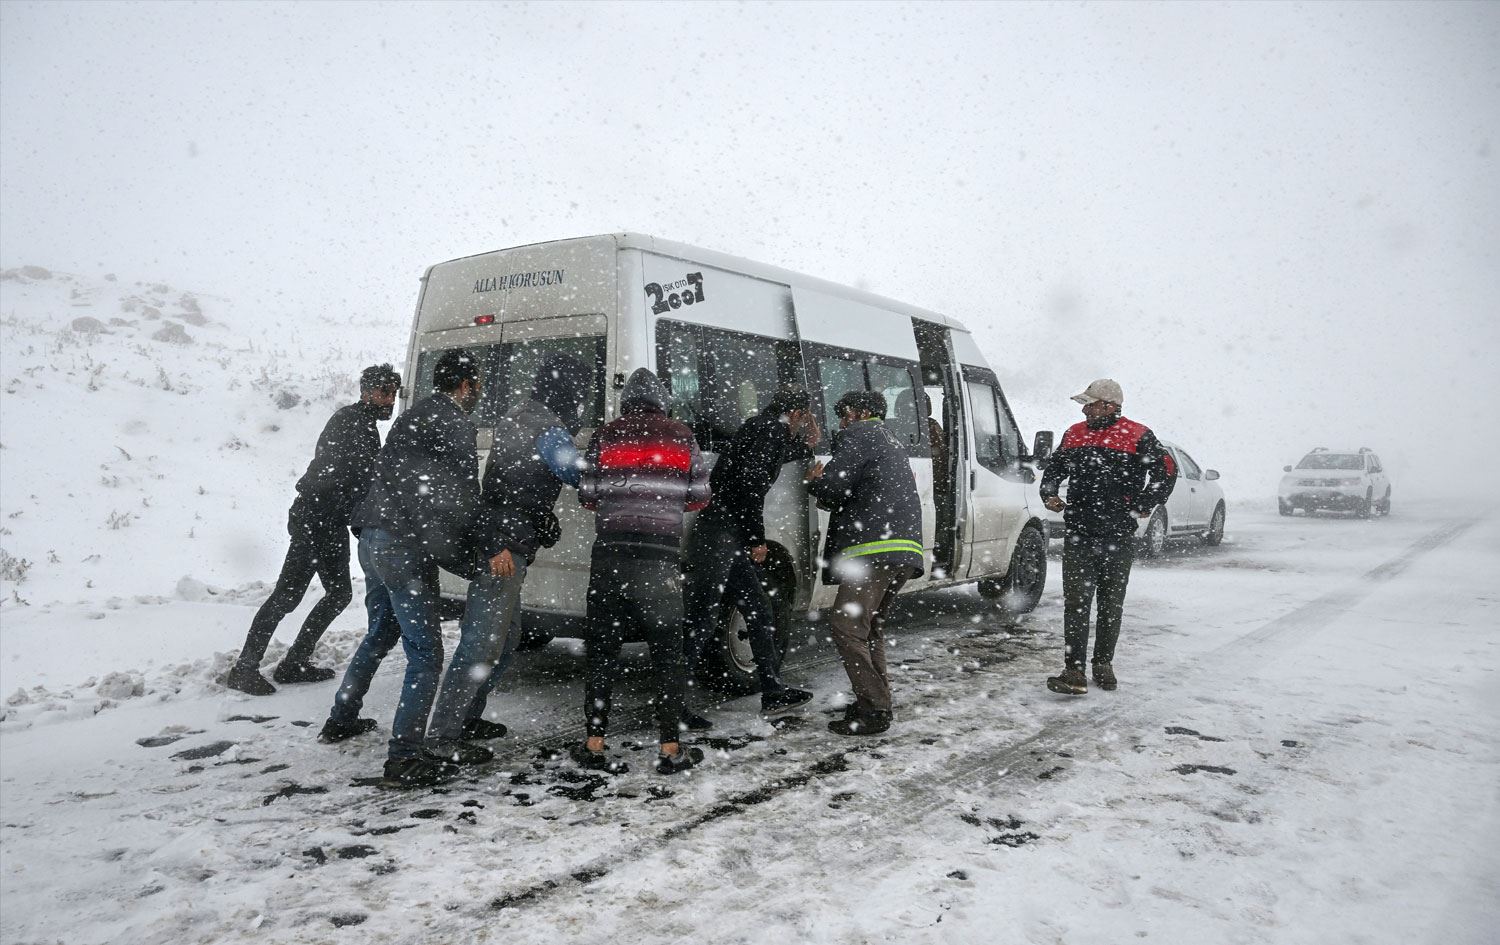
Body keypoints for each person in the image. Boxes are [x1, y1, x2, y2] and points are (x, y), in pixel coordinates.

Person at [319, 350, 512, 788]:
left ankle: (341, 717)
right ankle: (404, 757)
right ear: (466, 385)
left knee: (381, 632)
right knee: (426, 656)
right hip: (401, 547)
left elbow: (397, 480)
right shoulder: (454, 423)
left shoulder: (412, 416)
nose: (479, 391)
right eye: (478, 383)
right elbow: (463, 496)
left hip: (372, 537)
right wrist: (489, 546)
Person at [422, 355, 591, 763]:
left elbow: (513, 477)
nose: (583, 403)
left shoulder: (517, 414)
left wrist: (535, 513)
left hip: (503, 535)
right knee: (481, 643)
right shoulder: (548, 427)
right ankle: (443, 736)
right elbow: (575, 472)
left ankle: (466, 717)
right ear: (569, 393)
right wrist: (614, 466)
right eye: (581, 394)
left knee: (508, 636)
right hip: (504, 547)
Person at [224, 364, 401, 696]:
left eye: (394, 393)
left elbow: (358, 480)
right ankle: (244, 669)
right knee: (288, 595)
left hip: (326, 520)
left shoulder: (363, 424)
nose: (390, 399)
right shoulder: (351, 422)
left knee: (338, 594)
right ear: (366, 392)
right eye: (384, 392)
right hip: (316, 519)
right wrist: (365, 513)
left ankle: (294, 662)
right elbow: (348, 478)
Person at [575, 368, 711, 776]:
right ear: (662, 401)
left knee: (602, 651)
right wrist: (664, 502)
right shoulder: (682, 435)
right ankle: (670, 748)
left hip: (610, 555)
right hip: (659, 557)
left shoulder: (605, 435)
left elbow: (587, 495)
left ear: (627, 402)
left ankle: (594, 743)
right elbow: (699, 497)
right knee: (667, 653)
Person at [683, 384, 819, 722]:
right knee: (703, 618)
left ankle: (772, 690)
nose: (804, 423)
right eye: (804, 417)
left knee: (758, 609)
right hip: (721, 532)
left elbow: (766, 457)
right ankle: (671, 705)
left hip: (725, 531)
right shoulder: (769, 431)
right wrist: (757, 538)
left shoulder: (761, 427)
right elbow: (750, 484)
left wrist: (805, 445)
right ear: (797, 413)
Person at [1039, 378, 1175, 696]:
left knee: (1110, 605)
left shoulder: (1138, 434)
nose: (1084, 410)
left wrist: (1144, 503)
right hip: (1079, 533)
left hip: (1118, 535)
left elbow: (1166, 470)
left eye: (1090, 404)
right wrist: (1049, 493)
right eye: (1084, 405)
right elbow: (1054, 469)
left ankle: (1102, 664)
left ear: (1109, 406)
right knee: (1076, 603)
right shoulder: (1074, 434)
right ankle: (1074, 671)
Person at [805, 389, 924, 736]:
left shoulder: (859, 434)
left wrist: (814, 482)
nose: (842, 423)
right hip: (902, 550)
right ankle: (875, 701)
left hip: (873, 551)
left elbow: (834, 488)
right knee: (869, 629)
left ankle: (874, 709)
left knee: (846, 627)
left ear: (857, 413)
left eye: (844, 415)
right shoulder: (891, 439)